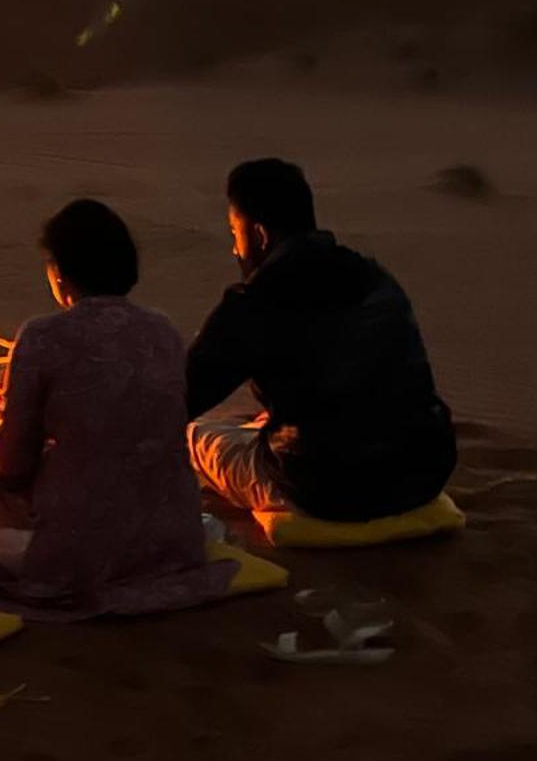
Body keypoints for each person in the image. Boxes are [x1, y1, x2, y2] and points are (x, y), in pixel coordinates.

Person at [0, 199, 234, 617]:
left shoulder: (43, 337)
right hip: (174, 539)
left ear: (59, 271)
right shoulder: (161, 329)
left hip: (82, 550)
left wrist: (3, 476)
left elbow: (13, 461)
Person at [186, 158, 456, 521]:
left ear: (260, 235)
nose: (235, 250)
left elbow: (178, 397)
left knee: (197, 435)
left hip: (324, 489)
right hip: (426, 470)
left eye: (236, 234)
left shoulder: (256, 302)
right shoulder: (374, 278)